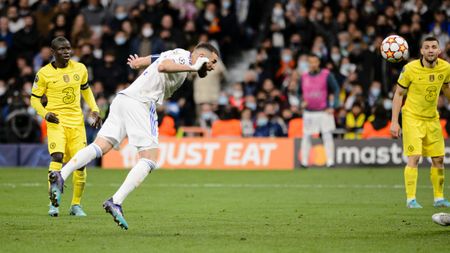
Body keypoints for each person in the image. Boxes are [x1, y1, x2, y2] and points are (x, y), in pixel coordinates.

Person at [48, 43, 219, 229]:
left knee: (100, 146)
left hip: (123, 99)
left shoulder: (181, 57)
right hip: (141, 103)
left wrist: (140, 62)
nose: (214, 65)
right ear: (201, 55)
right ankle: (116, 201)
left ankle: (61, 174)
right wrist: (195, 66)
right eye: (213, 61)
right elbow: (163, 66)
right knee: (150, 159)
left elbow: (157, 58)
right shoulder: (184, 58)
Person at [30, 36, 101, 217]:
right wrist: (45, 114)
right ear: (53, 52)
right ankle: (53, 203)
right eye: (61, 49)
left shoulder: (80, 68)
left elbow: (85, 89)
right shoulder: (44, 73)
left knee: (80, 164)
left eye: (68, 48)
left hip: (77, 123)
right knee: (57, 157)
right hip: (56, 122)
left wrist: (94, 108)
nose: (66, 52)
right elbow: (34, 99)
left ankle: (75, 205)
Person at [390, 36, 450, 208]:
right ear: (421, 51)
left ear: (439, 50)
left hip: (432, 118)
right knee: (414, 157)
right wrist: (395, 122)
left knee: (438, 158)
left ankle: (439, 198)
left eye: (433, 47)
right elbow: (398, 95)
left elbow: (446, 87)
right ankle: (411, 199)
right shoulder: (410, 69)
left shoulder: (446, 68)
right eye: (427, 47)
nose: (430, 50)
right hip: (412, 117)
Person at [300, 54, 340, 168]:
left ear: (318, 63)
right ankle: (304, 162)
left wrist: (333, 106)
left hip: (324, 111)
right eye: (310, 62)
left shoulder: (326, 75)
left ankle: (330, 161)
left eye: (315, 62)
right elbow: (299, 92)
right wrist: (300, 102)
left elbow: (336, 89)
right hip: (308, 112)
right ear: (308, 63)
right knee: (306, 136)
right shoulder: (304, 77)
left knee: (327, 136)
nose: (313, 65)